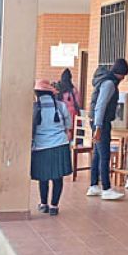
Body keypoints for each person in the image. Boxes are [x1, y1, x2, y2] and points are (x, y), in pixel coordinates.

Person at [87, 58, 128, 200]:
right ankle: (106, 188)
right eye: (123, 75)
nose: (123, 78)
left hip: (96, 121)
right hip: (101, 122)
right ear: (120, 73)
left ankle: (94, 185)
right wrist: (98, 127)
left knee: (98, 154)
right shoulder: (109, 84)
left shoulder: (104, 80)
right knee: (104, 155)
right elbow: (101, 105)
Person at [31, 79, 74, 216]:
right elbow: (69, 125)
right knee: (57, 177)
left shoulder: (33, 107)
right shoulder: (61, 106)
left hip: (40, 145)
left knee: (43, 177)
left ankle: (43, 204)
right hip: (59, 144)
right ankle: (54, 206)